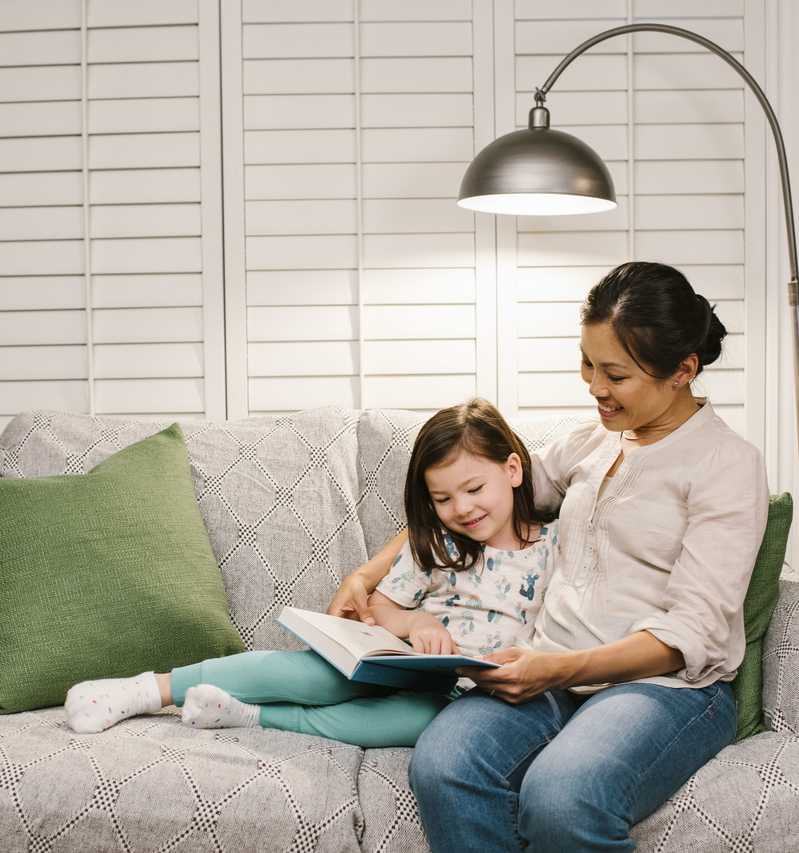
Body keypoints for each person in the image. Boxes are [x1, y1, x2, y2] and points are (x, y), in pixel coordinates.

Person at [329, 261, 769, 851]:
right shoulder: (594, 441)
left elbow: (692, 633)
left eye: (614, 373)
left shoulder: (726, 465)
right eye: (587, 362)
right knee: (444, 765)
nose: (594, 386)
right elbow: (482, 499)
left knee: (564, 796)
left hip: (666, 690)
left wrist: (555, 670)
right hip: (548, 670)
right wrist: (367, 574)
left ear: (682, 370)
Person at [63, 398, 560, 749]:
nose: (462, 508)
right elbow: (383, 606)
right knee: (316, 675)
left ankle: (252, 716)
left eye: (474, 489)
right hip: (402, 660)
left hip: (463, 696)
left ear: (513, 471)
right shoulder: (438, 543)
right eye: (443, 498)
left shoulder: (555, 548)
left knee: (412, 724)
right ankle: (149, 689)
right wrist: (417, 624)